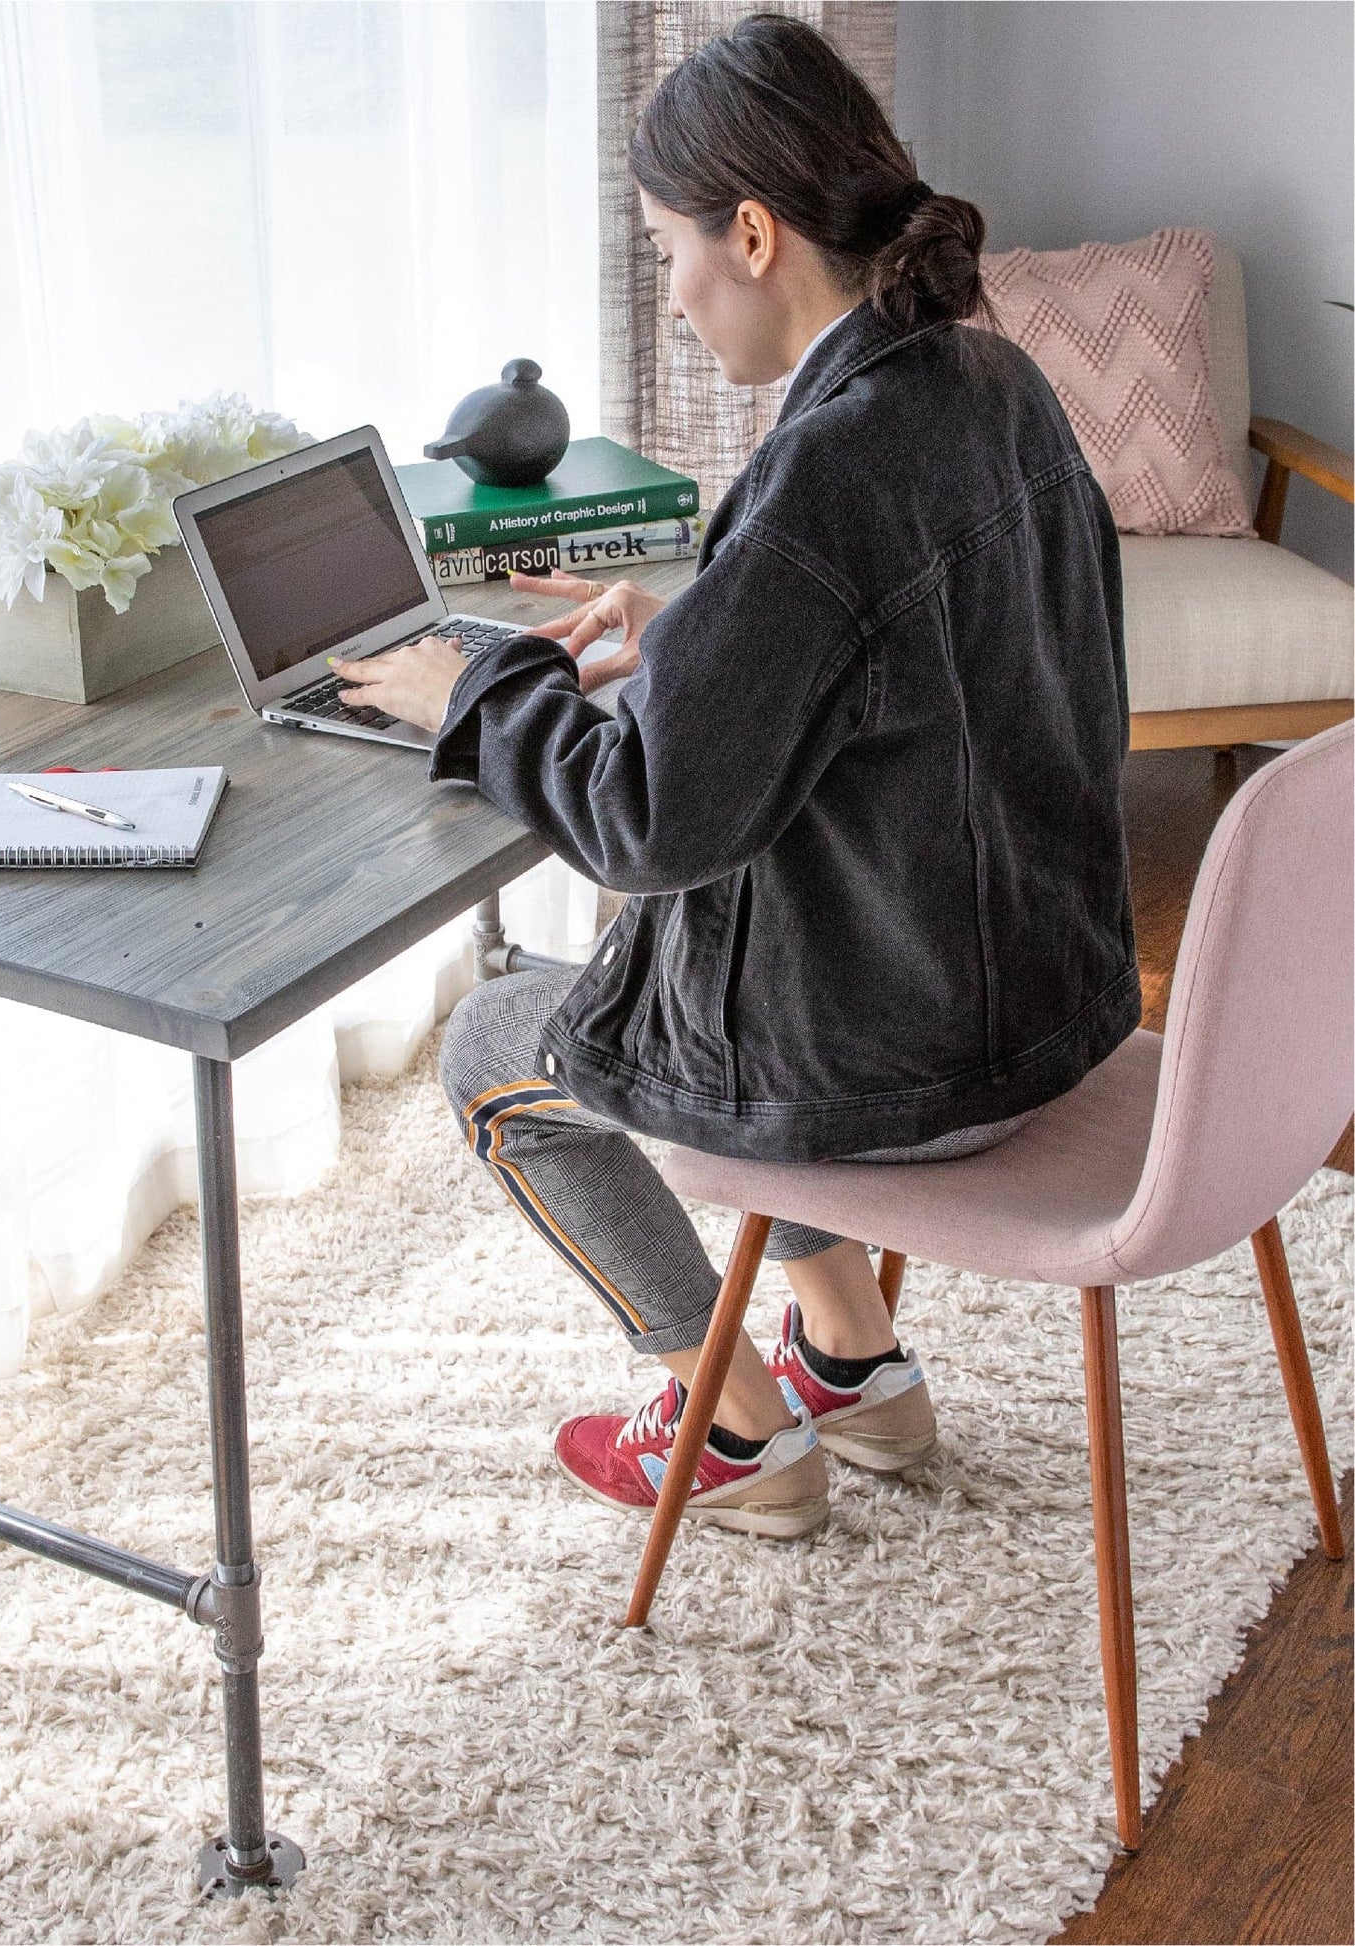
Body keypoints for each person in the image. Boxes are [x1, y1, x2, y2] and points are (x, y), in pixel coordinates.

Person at [332, 12, 1138, 1539]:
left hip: (910, 1066)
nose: (674, 296)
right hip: (1043, 992)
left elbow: (643, 825)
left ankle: (727, 1427)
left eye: (663, 256)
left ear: (752, 232)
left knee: (496, 1045)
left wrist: (476, 682)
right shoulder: (985, 379)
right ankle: (849, 1358)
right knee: (675, 972)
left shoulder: (829, 469)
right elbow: (906, 646)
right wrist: (703, 617)